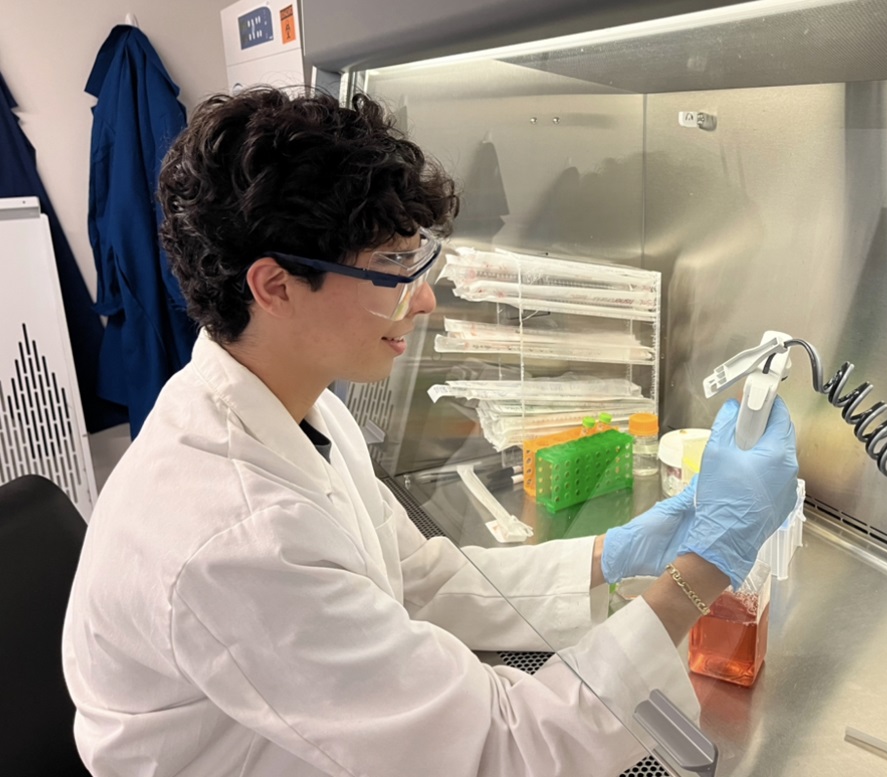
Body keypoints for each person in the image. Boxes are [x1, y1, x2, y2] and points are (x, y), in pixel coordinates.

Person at [62, 88, 799, 777]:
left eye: (421, 259)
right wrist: (708, 564)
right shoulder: (237, 535)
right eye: (393, 266)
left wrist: (622, 550)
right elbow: (502, 749)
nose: (425, 298)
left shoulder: (291, 402)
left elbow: (417, 580)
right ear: (275, 286)